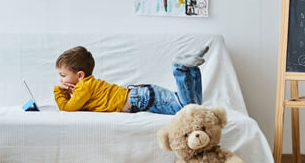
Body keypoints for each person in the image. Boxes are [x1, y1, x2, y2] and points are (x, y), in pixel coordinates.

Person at [53, 45, 209, 115]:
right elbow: (81, 103)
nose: (61, 79)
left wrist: (59, 91)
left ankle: (181, 68)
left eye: (63, 75)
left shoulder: (83, 87)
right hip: (142, 94)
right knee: (196, 107)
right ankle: (192, 68)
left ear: (80, 75)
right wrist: (70, 91)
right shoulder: (89, 85)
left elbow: (67, 108)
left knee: (187, 110)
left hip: (140, 98)